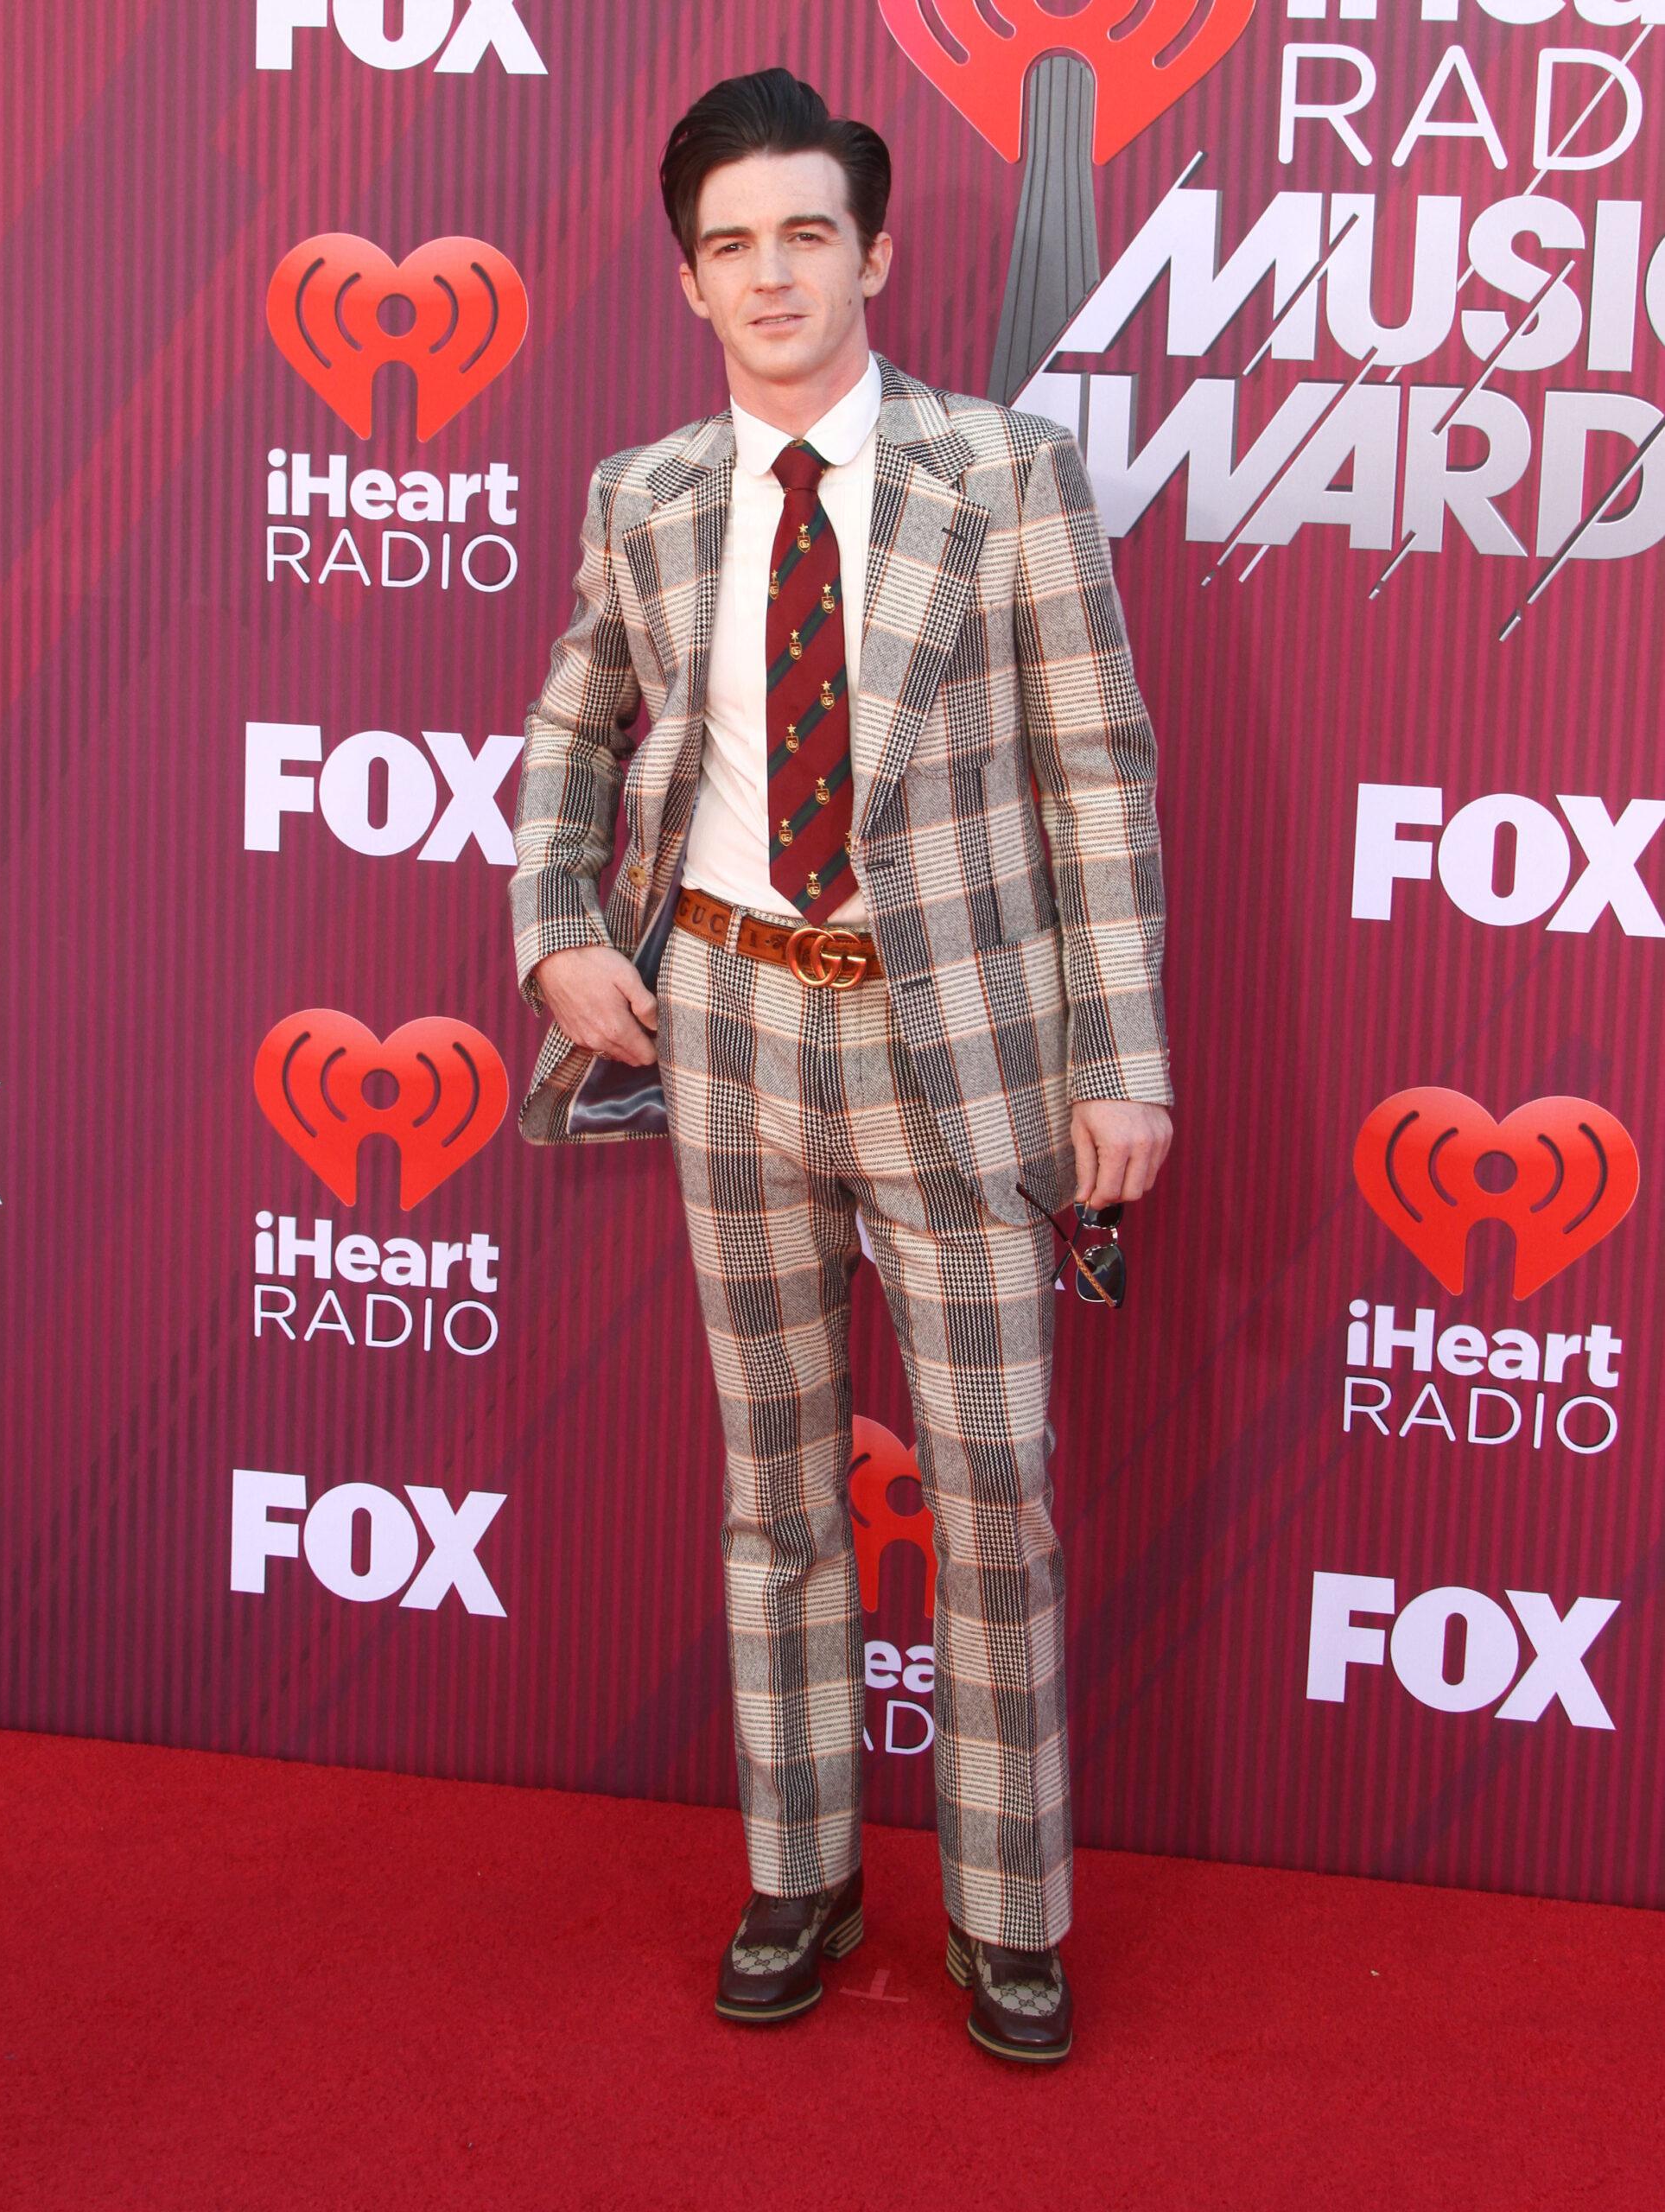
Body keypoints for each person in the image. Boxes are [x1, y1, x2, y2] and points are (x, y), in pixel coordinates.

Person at [507, 66, 1172, 2066]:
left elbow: (1098, 777)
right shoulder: (649, 494)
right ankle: (796, 1868)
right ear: (691, 281)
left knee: (991, 1491)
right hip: (727, 1027)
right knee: (771, 1484)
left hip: (957, 1038)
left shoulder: (1008, 471)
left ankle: (1007, 1907)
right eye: (730, 245)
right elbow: (569, 729)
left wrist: (1120, 1054)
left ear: (875, 251)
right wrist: (554, 931)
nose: (771, 272)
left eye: (807, 232)